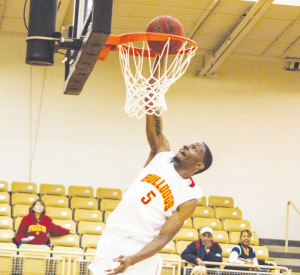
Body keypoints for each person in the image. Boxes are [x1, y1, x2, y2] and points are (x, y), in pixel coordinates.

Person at [89, 55, 213, 275]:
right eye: (189, 143)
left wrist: (133, 259)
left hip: (141, 250)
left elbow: (165, 236)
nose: (186, 145)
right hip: (112, 237)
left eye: (194, 148)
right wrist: (159, 60)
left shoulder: (190, 196)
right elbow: (152, 105)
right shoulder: (160, 152)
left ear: (199, 165)